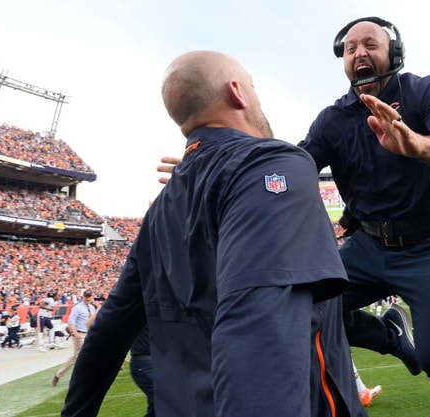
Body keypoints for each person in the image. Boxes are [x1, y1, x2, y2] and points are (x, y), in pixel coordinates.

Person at [61, 50, 364, 417]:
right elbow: (257, 328)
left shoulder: (161, 208)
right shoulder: (273, 164)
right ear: (237, 91)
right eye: (253, 86)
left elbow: (110, 328)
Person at [297, 16, 430, 411]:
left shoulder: (423, 91)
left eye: (370, 44)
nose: (360, 53)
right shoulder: (331, 120)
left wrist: (417, 145)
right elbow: (290, 170)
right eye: (351, 49)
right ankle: (391, 335)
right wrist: (219, 168)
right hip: (366, 247)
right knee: (296, 310)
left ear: (394, 53)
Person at [52, 289, 97, 387]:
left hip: (89, 334)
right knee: (78, 357)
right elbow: (71, 322)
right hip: (80, 334)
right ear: (83, 296)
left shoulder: (92, 308)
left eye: (89, 296)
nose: (87, 298)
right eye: (86, 296)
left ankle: (59, 375)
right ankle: (65, 377)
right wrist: (75, 333)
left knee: (80, 357)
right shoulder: (77, 308)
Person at [129, 327, 154, 417]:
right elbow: (91, 323)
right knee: (167, 402)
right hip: (145, 364)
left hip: (160, 363)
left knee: (155, 408)